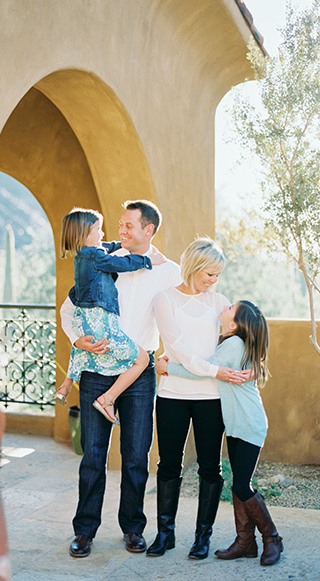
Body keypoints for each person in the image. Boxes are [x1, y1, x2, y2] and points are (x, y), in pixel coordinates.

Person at [60, 200, 181, 558]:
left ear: (149, 230)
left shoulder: (169, 272)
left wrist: (169, 356)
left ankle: (132, 528)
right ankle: (84, 531)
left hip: (139, 375)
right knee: (92, 456)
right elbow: (70, 308)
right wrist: (76, 338)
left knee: (135, 456)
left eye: (129, 226)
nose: (121, 231)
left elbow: (179, 320)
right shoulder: (101, 258)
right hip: (97, 370)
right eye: (120, 225)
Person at [148, 237, 251, 560]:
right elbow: (176, 347)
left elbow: (238, 340)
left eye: (217, 275)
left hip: (211, 398)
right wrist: (213, 370)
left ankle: (201, 538)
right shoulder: (164, 299)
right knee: (168, 465)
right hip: (172, 395)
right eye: (209, 274)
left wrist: (227, 371)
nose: (213, 281)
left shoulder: (219, 300)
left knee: (210, 467)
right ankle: (165, 534)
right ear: (193, 267)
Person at [158, 300, 282, 566]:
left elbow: (202, 371)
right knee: (239, 484)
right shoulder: (231, 342)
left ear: (234, 323)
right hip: (238, 426)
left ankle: (272, 538)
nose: (225, 306)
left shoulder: (233, 344)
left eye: (231, 308)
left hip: (248, 425)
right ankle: (245, 542)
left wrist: (168, 369)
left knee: (241, 485)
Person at [55, 208, 165, 425]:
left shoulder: (86, 253)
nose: (103, 234)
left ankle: (65, 386)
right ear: (84, 234)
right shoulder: (96, 257)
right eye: (98, 229)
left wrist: (120, 246)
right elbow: (120, 264)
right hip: (100, 321)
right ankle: (108, 399)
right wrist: (147, 260)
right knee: (142, 359)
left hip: (84, 318)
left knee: (82, 351)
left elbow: (110, 247)